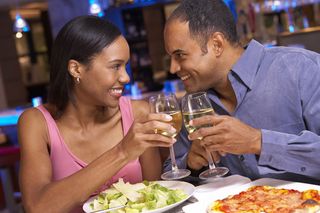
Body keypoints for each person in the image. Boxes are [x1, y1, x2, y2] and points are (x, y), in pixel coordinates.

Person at [18, 16, 176, 212]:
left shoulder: (139, 113)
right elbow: (37, 207)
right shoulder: (37, 123)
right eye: (115, 66)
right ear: (76, 69)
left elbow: (157, 199)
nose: (126, 77)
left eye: (125, 66)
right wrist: (123, 152)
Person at [163, 0, 320, 184]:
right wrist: (191, 163)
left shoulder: (302, 69)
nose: (173, 68)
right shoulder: (192, 103)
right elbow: (170, 174)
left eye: (180, 55)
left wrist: (258, 142)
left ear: (217, 44)